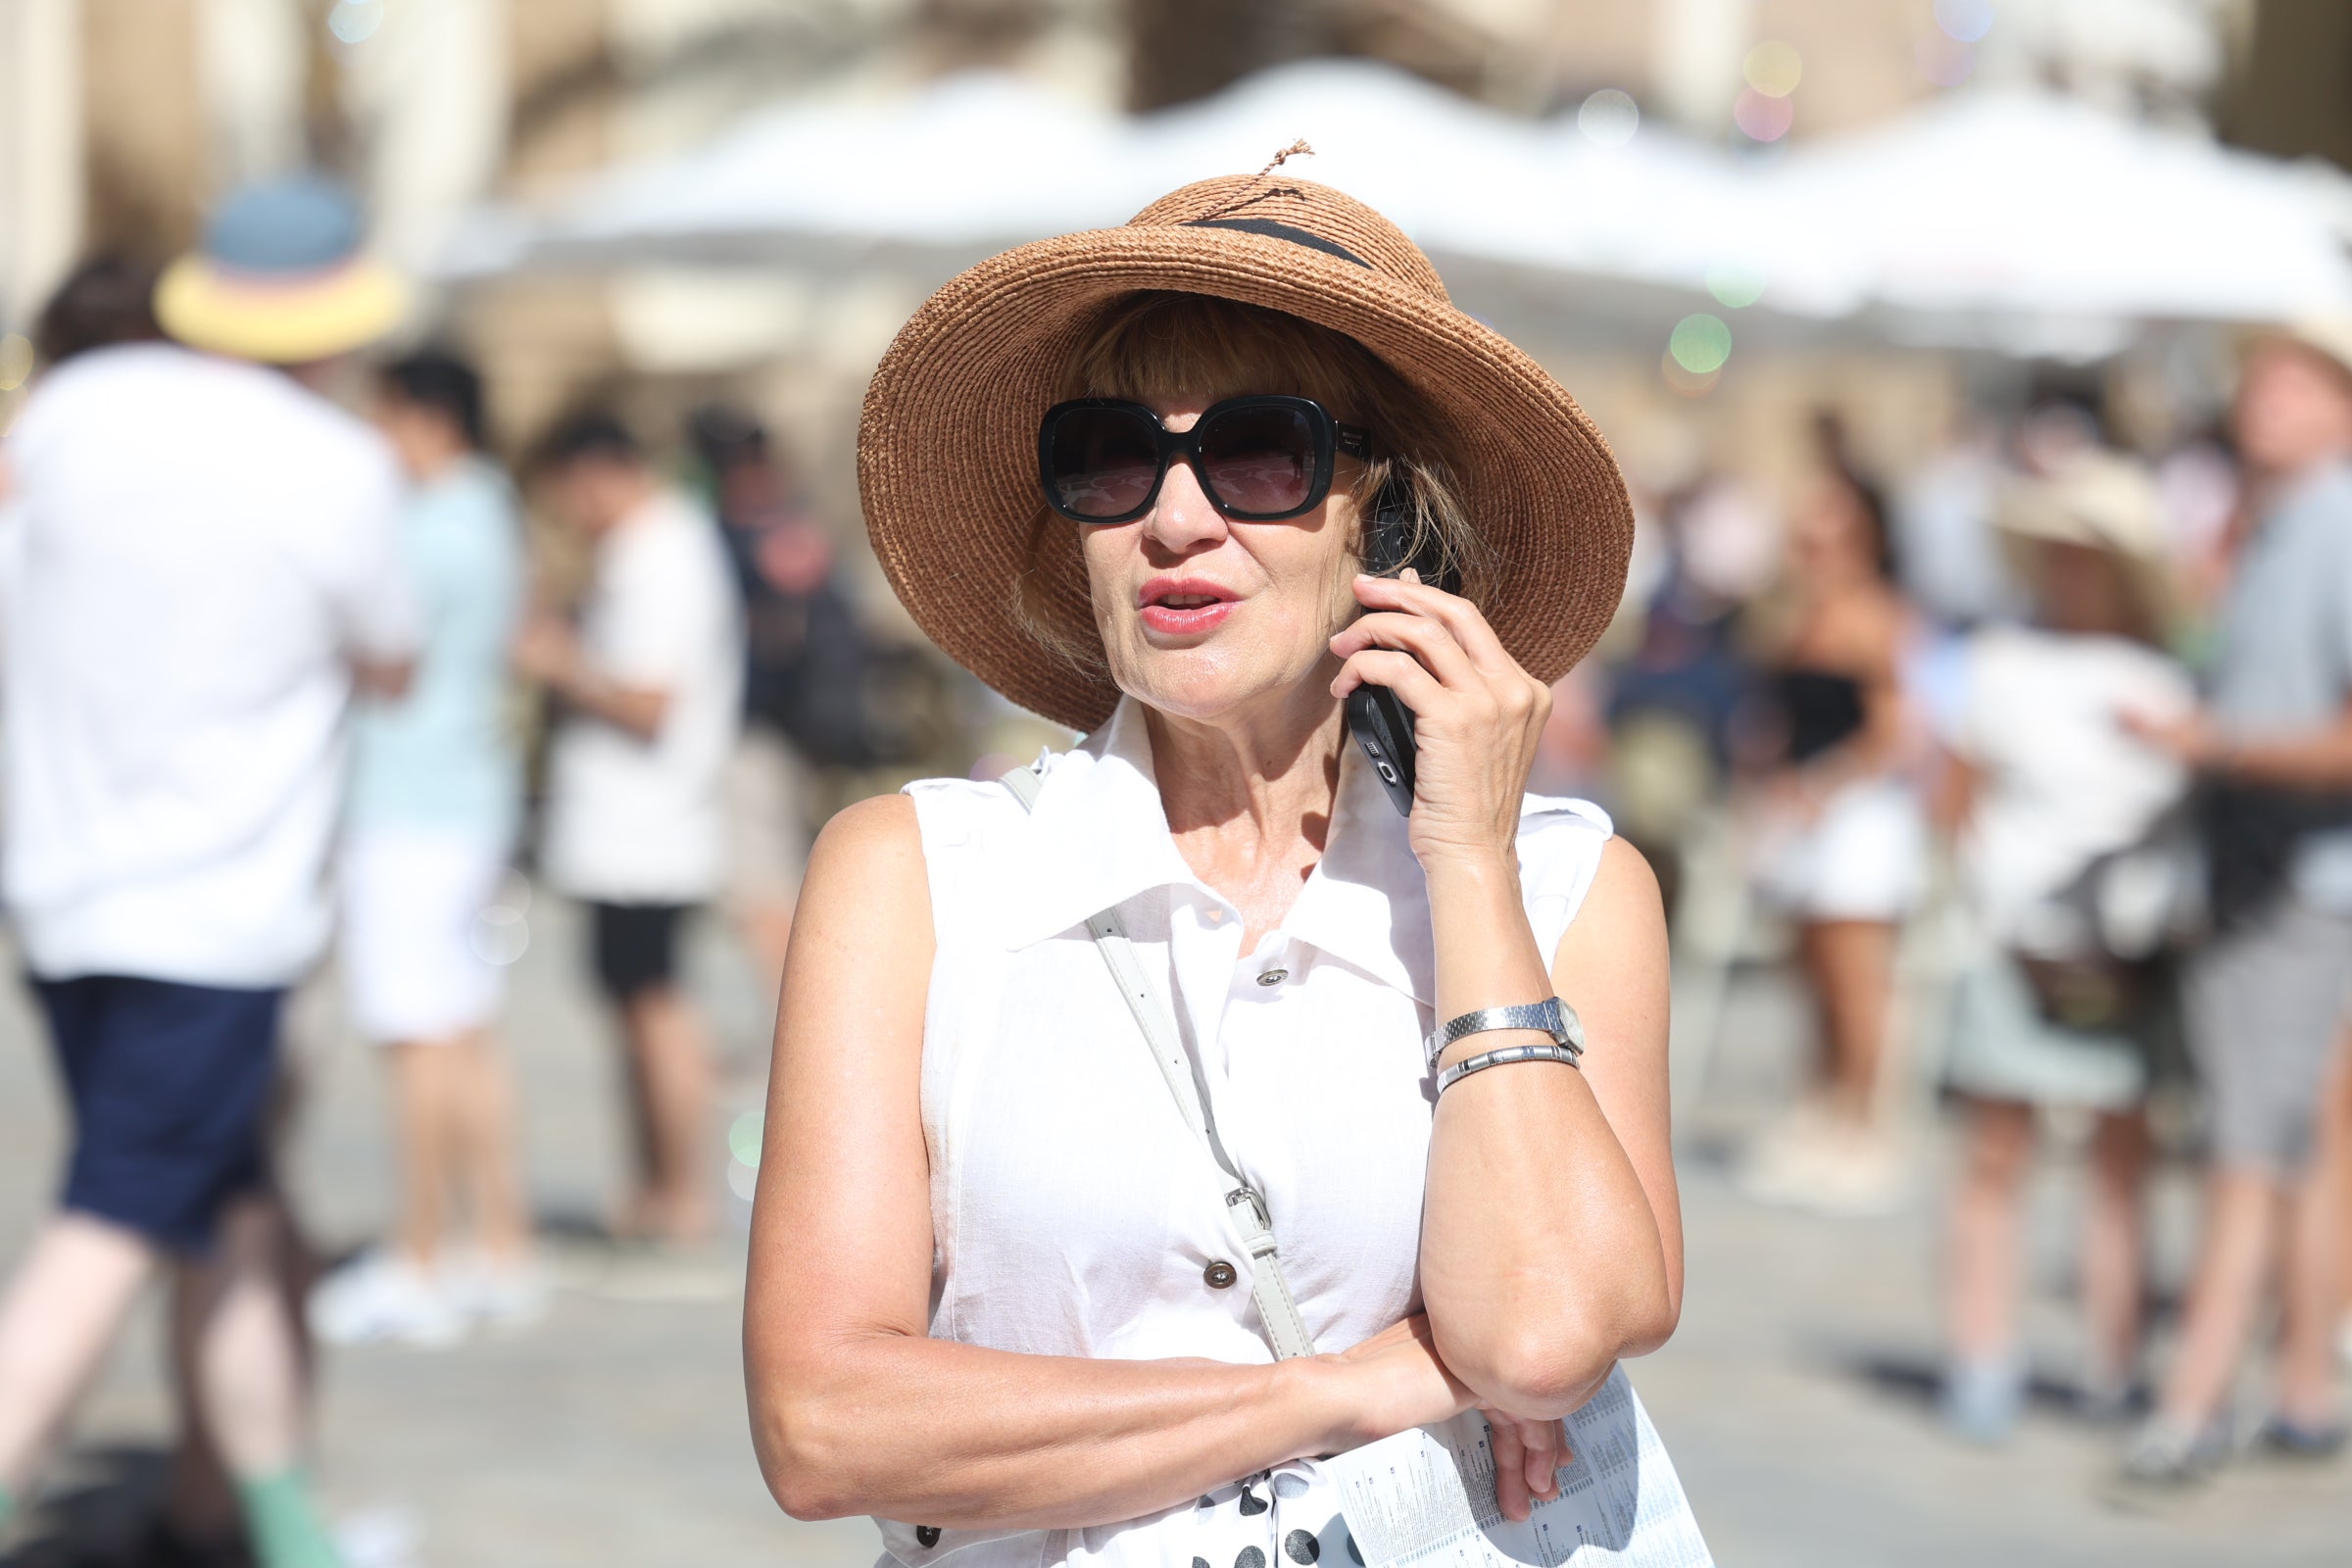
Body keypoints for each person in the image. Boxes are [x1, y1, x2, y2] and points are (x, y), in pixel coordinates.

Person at [743, 169, 1686, 1567]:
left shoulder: (1563, 893)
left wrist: (1466, 862)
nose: (1175, 520)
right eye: (1113, 459)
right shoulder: (918, 879)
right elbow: (824, 1426)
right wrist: (1340, 1389)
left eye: (1258, 453)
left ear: (1384, 516)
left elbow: (1542, 1342)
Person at [0, 177, 414, 1568]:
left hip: (62, 892)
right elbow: (396, 659)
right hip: (217, 915)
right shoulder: (334, 464)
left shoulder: (74, 409)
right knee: (111, 1222)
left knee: (226, 1217)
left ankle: (274, 1529)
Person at [2120, 320, 2352, 1487]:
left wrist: (2214, 742)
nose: (2264, 395)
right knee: (2301, 1144)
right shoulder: (2282, 523)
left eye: (2294, 376)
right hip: (2279, 878)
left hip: (2297, 886)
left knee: (2244, 1149)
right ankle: (2305, 1385)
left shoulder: (2336, 523)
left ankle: (2193, 1399)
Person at [1933, 456, 2197, 1443]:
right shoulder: (2001, 661)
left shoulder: (2165, 676)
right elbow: (1957, 794)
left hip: (2126, 944)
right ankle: (1982, 1352)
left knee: (2122, 1161)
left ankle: (2112, 1355)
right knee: (1997, 1152)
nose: (2068, 568)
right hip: (2012, 934)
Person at [308, 350, 538, 1349]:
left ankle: (418, 1256)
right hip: (462, 796)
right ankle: (499, 1242)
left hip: (407, 803)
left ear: (427, 418)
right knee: (464, 1029)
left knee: (416, 1039)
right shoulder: (489, 511)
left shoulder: (424, 526)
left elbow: (365, 645)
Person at [520, 413, 742, 1245]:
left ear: (597, 474)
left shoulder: (661, 555)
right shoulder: (654, 548)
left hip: (648, 824)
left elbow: (650, 702)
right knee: (633, 1002)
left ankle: (680, 1193)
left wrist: (557, 663)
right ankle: (654, 1187)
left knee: (655, 1006)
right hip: (631, 824)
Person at [1740, 455, 1926, 1214]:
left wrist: (1827, 787)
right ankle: (1820, 1113)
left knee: (1857, 978)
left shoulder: (1881, 616)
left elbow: (1897, 731)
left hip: (1859, 816)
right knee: (1809, 971)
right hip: (1802, 813)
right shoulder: (1792, 615)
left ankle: (1865, 1125)